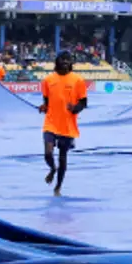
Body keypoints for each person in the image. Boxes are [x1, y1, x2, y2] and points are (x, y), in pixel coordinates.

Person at [39, 52, 87, 196]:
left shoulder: (78, 80)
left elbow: (84, 102)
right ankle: (52, 168)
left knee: (62, 156)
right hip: (51, 122)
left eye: (68, 60)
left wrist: (75, 108)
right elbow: (47, 101)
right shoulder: (48, 80)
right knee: (48, 153)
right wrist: (43, 106)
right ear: (57, 62)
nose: (65, 62)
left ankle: (58, 187)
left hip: (67, 125)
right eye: (62, 60)